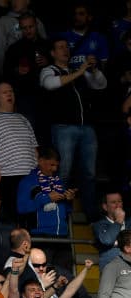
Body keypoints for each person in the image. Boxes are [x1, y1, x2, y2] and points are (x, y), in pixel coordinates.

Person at [39, 37, 105, 221]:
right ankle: (59, 212)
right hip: (64, 128)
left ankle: (90, 213)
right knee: (63, 171)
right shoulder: (48, 70)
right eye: (60, 47)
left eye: (67, 47)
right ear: (52, 53)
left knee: (90, 172)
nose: (65, 50)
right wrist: (81, 71)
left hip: (86, 128)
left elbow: (100, 84)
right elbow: (50, 84)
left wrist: (93, 69)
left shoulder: (79, 71)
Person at [0, 82, 38, 217]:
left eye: (11, 91)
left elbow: (34, 149)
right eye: (5, 92)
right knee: (12, 218)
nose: (9, 94)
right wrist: (0, 181)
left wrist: (38, 175)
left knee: (31, 218)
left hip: (30, 176)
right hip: (8, 177)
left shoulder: (23, 119)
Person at [93, 190, 131, 270]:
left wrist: (117, 243)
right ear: (105, 207)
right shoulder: (99, 225)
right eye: (113, 202)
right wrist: (119, 221)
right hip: (111, 269)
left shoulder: (129, 222)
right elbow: (107, 240)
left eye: (119, 201)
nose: (118, 205)